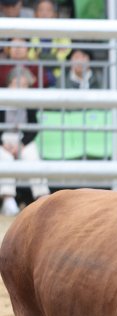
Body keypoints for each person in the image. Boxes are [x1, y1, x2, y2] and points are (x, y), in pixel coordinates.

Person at [0, 67, 49, 217]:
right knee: (4, 158)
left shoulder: (30, 101)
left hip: (23, 141)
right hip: (3, 140)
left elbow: (33, 128)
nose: (20, 87)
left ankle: (42, 198)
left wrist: (21, 144)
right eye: (17, 83)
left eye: (23, 84)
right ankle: (8, 199)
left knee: (32, 156)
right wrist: (3, 144)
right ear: (9, 83)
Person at [27, 0, 71, 84]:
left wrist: (40, 56)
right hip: (36, 75)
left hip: (58, 75)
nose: (44, 13)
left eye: (48, 10)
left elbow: (63, 54)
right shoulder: (31, 32)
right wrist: (52, 56)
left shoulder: (62, 31)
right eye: (41, 10)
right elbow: (31, 56)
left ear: (55, 14)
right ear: (35, 14)